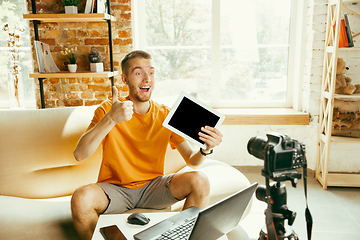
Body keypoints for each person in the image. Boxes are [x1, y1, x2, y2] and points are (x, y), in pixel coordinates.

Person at [71, 50, 223, 240]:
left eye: (151, 72)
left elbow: (192, 161)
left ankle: (183, 237)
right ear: (125, 79)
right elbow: (80, 154)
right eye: (138, 73)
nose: (147, 79)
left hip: (153, 188)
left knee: (200, 180)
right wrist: (111, 119)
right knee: (81, 198)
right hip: (115, 189)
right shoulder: (108, 110)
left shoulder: (166, 114)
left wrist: (206, 149)